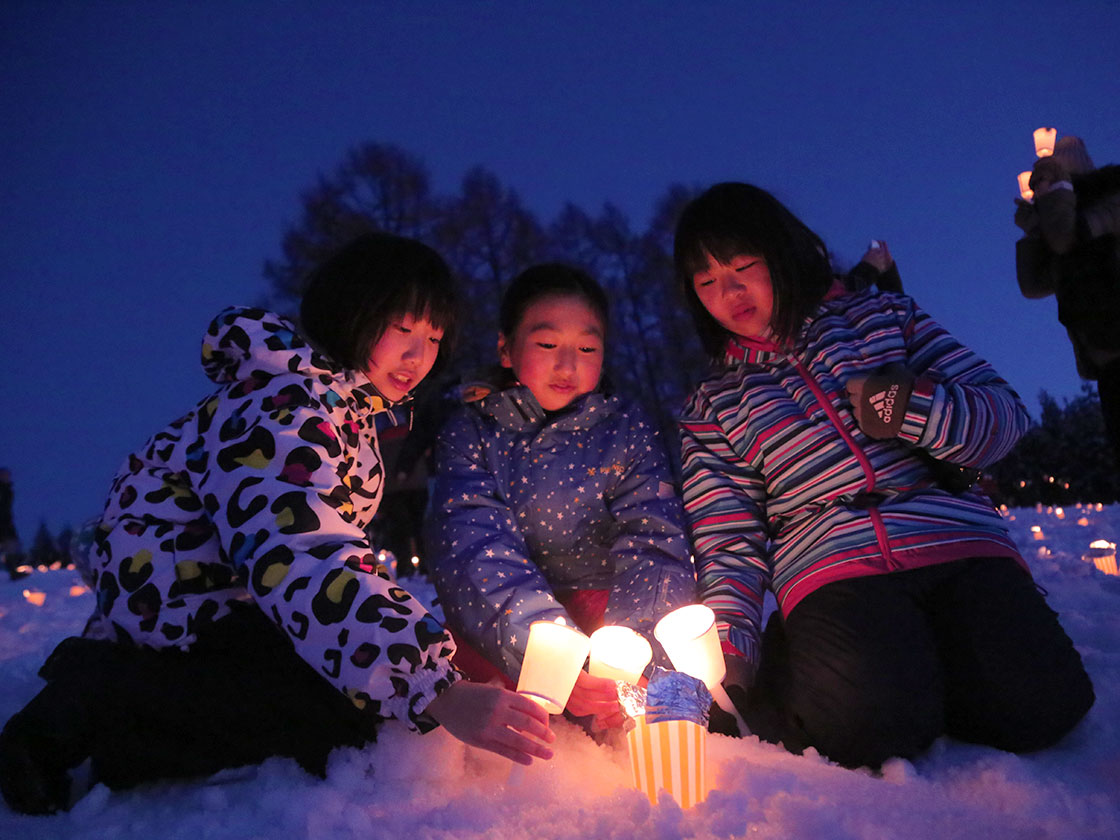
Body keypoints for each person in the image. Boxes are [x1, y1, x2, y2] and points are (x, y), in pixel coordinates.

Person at [0, 233, 554, 816]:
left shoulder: (342, 408)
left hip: (236, 599)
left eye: (433, 339)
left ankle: (134, 705)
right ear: (352, 312)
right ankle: (97, 701)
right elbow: (303, 551)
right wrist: (434, 684)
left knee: (360, 700)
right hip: (191, 606)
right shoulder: (285, 405)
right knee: (339, 717)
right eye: (403, 329)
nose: (419, 357)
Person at [674, 182, 1094, 769]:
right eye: (708, 281)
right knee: (861, 731)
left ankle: (920, 670)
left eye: (744, 265)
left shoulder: (884, 318)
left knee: (1044, 707)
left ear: (783, 251)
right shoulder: (714, 404)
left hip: (955, 539)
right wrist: (730, 661)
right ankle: (828, 664)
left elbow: (1004, 417)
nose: (731, 291)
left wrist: (908, 407)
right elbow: (728, 541)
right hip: (831, 567)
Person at [425, 264, 696, 729]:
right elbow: (473, 545)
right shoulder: (471, 432)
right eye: (547, 344)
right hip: (505, 628)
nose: (567, 365)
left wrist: (629, 659)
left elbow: (654, 539)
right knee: (466, 675)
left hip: (610, 615)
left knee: (641, 694)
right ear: (505, 349)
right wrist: (551, 658)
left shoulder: (627, 430)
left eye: (587, 348)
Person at [1015, 135, 1120, 469]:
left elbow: (1066, 239)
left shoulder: (1112, 202)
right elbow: (1034, 285)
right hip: (1104, 356)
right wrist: (1034, 231)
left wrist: (1054, 195)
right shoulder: (1061, 214)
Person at [0, 468, 28, 581]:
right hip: (2, 522)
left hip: (6, 521)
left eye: (8, 475)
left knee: (11, 545)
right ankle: (13, 572)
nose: (8, 477)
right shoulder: (2, 490)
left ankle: (13, 572)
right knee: (9, 544)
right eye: (5, 475)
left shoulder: (8, 490)